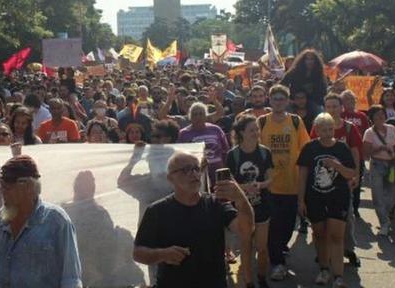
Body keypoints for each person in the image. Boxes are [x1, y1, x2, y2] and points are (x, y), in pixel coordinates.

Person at [132, 151, 254, 288]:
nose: (194, 173)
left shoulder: (216, 204)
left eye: (196, 168)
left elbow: (246, 230)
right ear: (170, 178)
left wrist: (240, 199)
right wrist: (162, 254)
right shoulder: (157, 211)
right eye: (185, 170)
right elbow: (138, 253)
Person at [0, 155, 82, 287]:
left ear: (29, 187)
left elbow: (71, 278)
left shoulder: (57, 221)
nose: (1, 192)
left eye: (7, 187)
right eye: (0, 185)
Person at [256, 84, 309, 281]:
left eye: (282, 99)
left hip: (291, 183)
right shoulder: (261, 122)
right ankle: (277, 263)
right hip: (268, 185)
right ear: (270, 100)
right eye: (275, 99)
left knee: (287, 225)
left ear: (287, 101)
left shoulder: (296, 122)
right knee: (272, 225)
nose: (278, 102)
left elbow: (305, 149)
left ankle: (277, 250)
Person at [298, 113, 356, 288]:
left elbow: (351, 173)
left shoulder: (342, 148)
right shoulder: (309, 148)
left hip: (338, 198)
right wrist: (300, 200)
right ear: (316, 129)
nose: (328, 132)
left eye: (330, 128)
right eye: (323, 129)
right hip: (315, 197)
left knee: (336, 236)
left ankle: (338, 276)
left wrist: (336, 166)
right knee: (320, 234)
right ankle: (324, 269)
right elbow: (302, 175)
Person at [311, 93, 362, 264]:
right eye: (329, 106)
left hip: (343, 181)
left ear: (341, 108)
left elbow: (356, 153)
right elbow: (313, 152)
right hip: (323, 183)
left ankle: (348, 249)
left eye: (335, 106)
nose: (332, 109)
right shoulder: (317, 127)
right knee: (323, 221)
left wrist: (356, 175)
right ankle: (324, 252)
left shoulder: (349, 128)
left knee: (346, 218)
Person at [227, 115, 273, 288]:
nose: (256, 133)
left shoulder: (264, 152)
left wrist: (260, 184)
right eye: (251, 130)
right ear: (241, 133)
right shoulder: (233, 155)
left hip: (262, 205)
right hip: (242, 208)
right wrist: (244, 188)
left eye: (257, 129)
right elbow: (230, 182)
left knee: (262, 248)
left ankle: (262, 276)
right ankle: (248, 281)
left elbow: (270, 179)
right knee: (245, 246)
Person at [362, 105, 395, 236]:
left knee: (393, 192)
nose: (380, 117)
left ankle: (385, 213)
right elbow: (366, 152)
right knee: (377, 196)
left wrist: (393, 147)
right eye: (377, 115)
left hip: (391, 165)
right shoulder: (369, 132)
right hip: (377, 165)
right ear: (372, 118)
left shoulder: (392, 128)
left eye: (382, 114)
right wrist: (380, 149)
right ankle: (384, 223)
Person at [177, 102, 230, 185]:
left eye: (201, 114)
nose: (198, 117)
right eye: (195, 114)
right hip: (196, 176)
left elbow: (225, 150)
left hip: (218, 174)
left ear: (206, 115)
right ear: (190, 117)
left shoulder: (216, 129)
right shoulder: (184, 134)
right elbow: (180, 156)